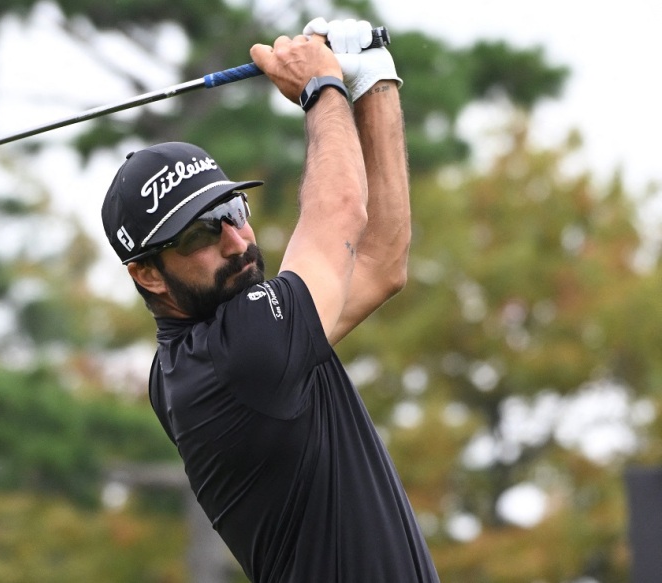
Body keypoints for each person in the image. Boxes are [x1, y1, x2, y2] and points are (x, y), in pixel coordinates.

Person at [100, 16, 438, 583]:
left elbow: (380, 261)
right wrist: (321, 88)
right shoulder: (241, 355)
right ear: (149, 275)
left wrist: (374, 81)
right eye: (201, 233)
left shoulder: (219, 352)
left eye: (232, 213)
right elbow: (339, 215)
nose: (237, 241)